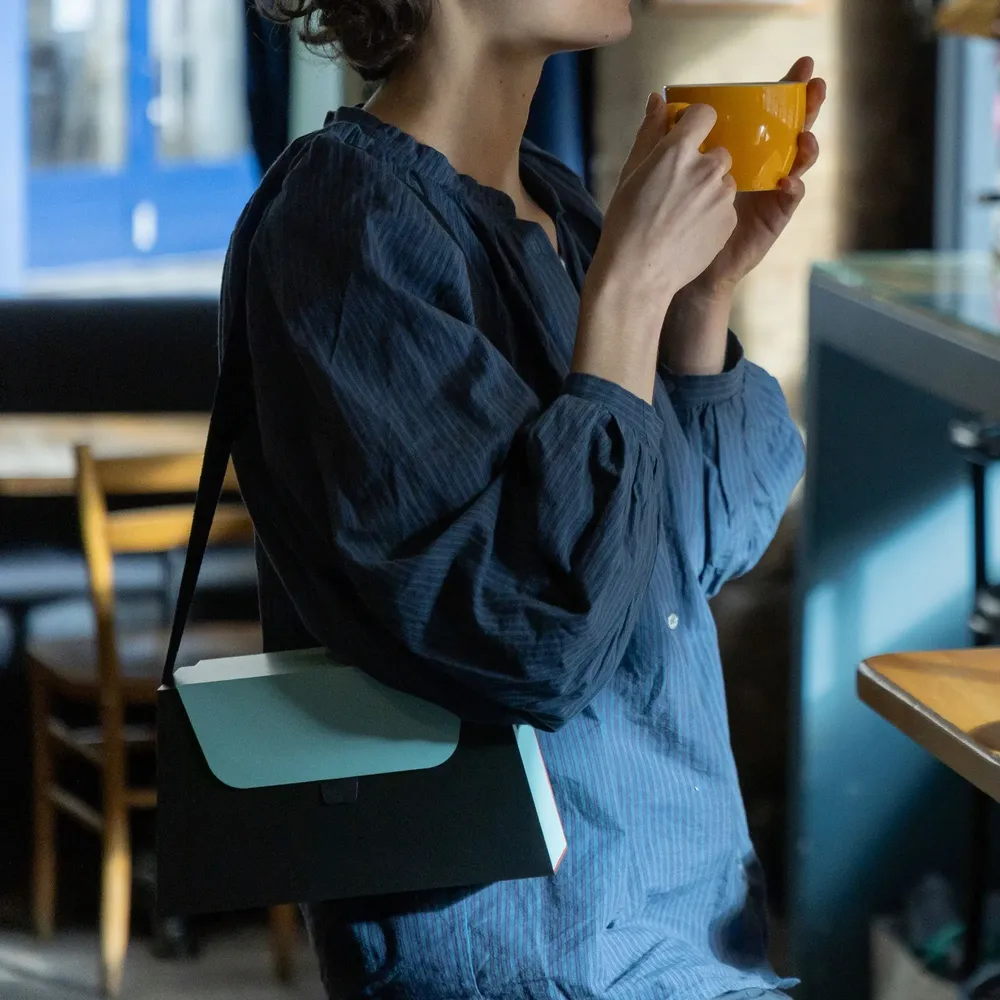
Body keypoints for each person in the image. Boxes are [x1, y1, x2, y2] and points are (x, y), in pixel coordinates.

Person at [224, 1, 826, 997]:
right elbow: (533, 636)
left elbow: (686, 554)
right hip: (532, 955)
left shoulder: (559, 202)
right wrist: (629, 290)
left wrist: (696, 298)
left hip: (689, 930)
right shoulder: (343, 227)